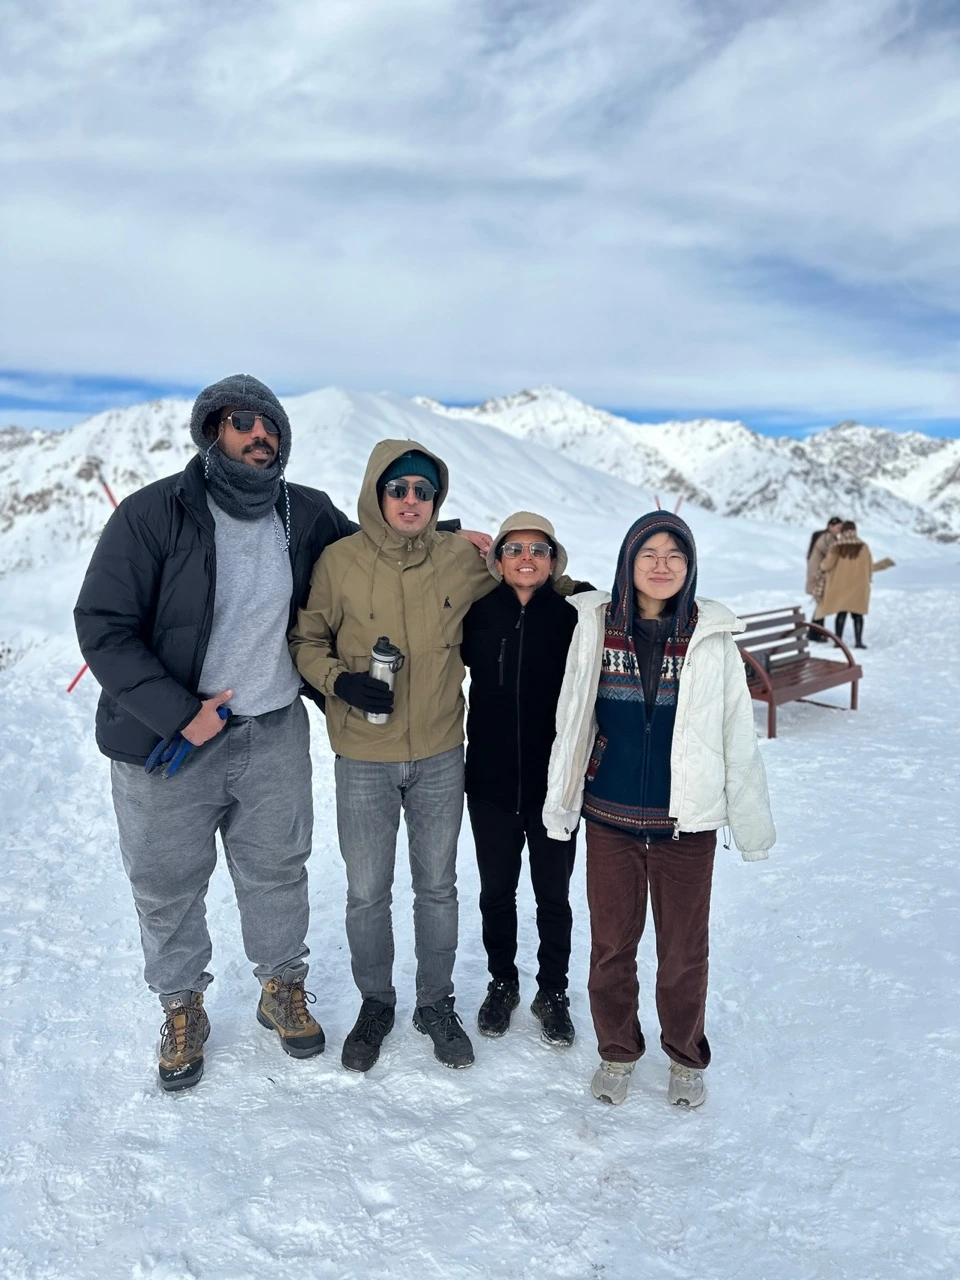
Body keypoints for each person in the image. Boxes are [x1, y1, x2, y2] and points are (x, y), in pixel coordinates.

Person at [73, 375, 351, 1090]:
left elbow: (376, 560)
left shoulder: (305, 512)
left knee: (278, 869)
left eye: (271, 425)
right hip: (169, 742)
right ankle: (181, 1006)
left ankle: (281, 986)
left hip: (274, 730)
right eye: (243, 421)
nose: (260, 435)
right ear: (212, 430)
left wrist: (450, 540)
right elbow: (103, 626)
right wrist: (180, 713)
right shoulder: (154, 513)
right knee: (166, 881)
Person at [542, 511, 775, 1109]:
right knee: (611, 948)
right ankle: (617, 1051)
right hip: (610, 819)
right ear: (629, 562)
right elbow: (573, 717)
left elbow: (736, 733)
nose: (662, 565)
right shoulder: (597, 628)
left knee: (683, 953)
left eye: (675, 555)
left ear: (690, 567)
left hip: (685, 826)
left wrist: (751, 826)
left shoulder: (710, 638)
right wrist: (561, 800)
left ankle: (685, 1056)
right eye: (649, 553)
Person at [289, 441, 504, 1073]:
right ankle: (376, 1002)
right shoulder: (339, 562)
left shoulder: (461, 560)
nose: (411, 500)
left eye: (423, 491)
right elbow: (306, 639)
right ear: (376, 494)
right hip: (363, 755)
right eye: (399, 488)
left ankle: (435, 1003)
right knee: (366, 893)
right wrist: (341, 682)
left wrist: (592, 596)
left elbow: (527, 581)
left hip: (440, 752)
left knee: (438, 889)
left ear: (437, 500)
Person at [461, 513, 590, 1047]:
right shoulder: (476, 611)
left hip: (554, 785)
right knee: (496, 892)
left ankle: (552, 991)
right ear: (497, 559)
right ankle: (503, 982)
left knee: (553, 896)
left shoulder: (575, 616)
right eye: (514, 549)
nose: (526, 558)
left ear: (554, 560)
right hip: (489, 782)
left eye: (539, 549)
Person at [818, 520, 879, 649]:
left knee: (841, 613)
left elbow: (827, 565)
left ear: (843, 532)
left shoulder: (836, 547)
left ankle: (838, 642)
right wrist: (868, 579)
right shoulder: (864, 547)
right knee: (858, 614)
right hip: (859, 586)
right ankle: (858, 642)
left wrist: (821, 565)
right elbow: (869, 566)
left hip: (841, 586)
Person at [806, 517, 843, 640]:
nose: (840, 530)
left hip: (817, 575)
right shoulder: (827, 538)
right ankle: (815, 633)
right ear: (830, 527)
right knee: (821, 605)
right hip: (819, 576)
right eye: (838, 527)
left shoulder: (826, 537)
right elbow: (832, 554)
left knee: (821, 604)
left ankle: (816, 632)